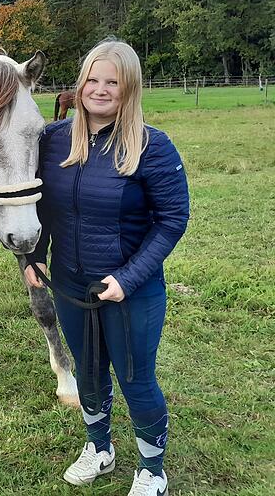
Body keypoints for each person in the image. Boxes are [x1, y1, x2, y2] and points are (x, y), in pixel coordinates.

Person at [24, 39, 189, 496]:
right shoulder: (53, 140)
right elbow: (43, 206)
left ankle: (152, 469)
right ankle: (99, 448)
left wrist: (128, 279)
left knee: (136, 380)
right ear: (80, 85)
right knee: (88, 370)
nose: (99, 90)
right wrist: (37, 255)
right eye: (92, 80)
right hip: (71, 283)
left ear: (129, 88)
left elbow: (173, 219)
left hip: (130, 288)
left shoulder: (153, 146)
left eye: (112, 82)